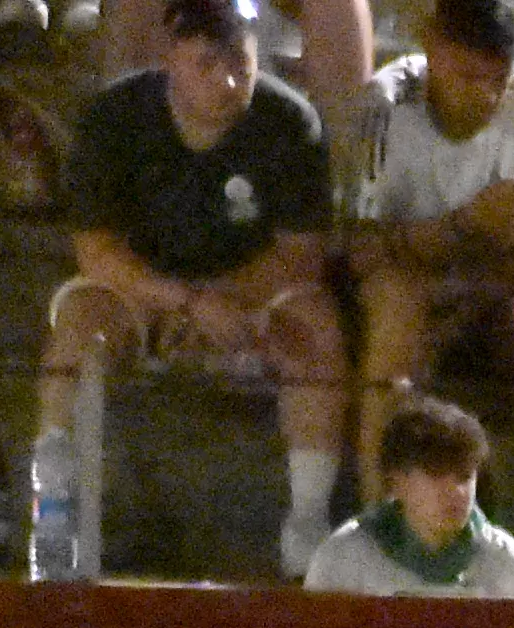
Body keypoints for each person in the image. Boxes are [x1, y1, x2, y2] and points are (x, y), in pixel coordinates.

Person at [47, 0, 352, 578]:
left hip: (251, 289)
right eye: (207, 63)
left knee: (314, 326)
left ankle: (308, 525)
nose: (228, 81)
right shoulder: (114, 117)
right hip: (143, 289)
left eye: (240, 62)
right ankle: (58, 511)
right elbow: (96, 251)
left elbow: (300, 253)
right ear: (169, 58)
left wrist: (222, 304)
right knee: (79, 330)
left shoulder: (290, 122)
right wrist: (186, 304)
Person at [344, 0, 514, 557]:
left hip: (497, 288)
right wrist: (462, 226)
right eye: (467, 76)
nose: (485, 95)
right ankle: (375, 520)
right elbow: (362, 251)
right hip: (410, 290)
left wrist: (471, 274)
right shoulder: (384, 105)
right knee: (397, 306)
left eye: (495, 79)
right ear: (432, 50)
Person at [301, 390, 514, 589]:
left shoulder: (508, 563)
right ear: (398, 482)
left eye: (464, 477)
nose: (457, 492)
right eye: (437, 474)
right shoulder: (343, 558)